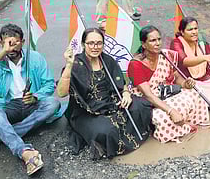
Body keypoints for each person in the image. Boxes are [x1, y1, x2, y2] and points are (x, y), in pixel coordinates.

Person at [0, 24, 61, 176]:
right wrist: (1, 54)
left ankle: (1, 137)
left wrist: (36, 96)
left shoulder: (35, 58)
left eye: (16, 43)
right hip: (8, 106)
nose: (12, 48)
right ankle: (24, 152)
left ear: (23, 42)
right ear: (1, 43)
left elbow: (49, 84)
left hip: (30, 104)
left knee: (53, 103)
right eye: (8, 44)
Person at [57, 28, 152, 159]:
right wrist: (68, 65)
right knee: (107, 131)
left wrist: (125, 94)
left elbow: (121, 82)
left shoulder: (107, 60)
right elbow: (61, 93)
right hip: (87, 111)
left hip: (112, 103)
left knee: (141, 106)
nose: (95, 47)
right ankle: (102, 143)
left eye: (99, 43)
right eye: (91, 43)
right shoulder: (76, 64)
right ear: (84, 44)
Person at [127, 26, 209, 143]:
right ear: (143, 44)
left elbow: (176, 77)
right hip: (147, 101)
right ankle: (179, 128)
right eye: (152, 41)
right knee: (163, 117)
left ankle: (187, 123)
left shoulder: (165, 55)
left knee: (195, 94)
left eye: (159, 39)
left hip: (166, 92)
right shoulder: (136, 64)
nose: (157, 43)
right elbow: (148, 95)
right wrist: (171, 111)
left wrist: (185, 84)